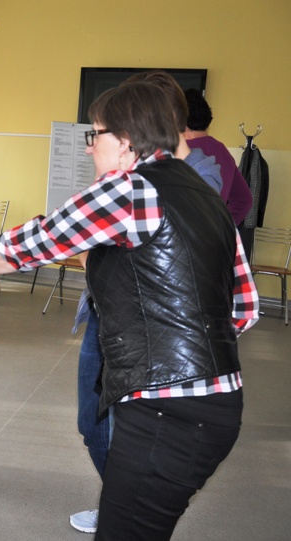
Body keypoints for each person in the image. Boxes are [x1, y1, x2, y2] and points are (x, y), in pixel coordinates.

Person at [0, 81, 259, 540]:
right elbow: (244, 308)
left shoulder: (129, 189)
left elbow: (35, 240)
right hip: (217, 403)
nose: (87, 148)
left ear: (125, 141)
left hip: (165, 409)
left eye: (94, 134)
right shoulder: (206, 197)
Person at [68, 70, 226, 534]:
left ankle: (130, 505)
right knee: (92, 423)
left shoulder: (195, 177)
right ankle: (123, 500)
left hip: (154, 335)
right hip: (105, 316)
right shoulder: (129, 176)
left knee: (129, 430)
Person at [184, 88, 253, 226]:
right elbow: (244, 200)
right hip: (211, 236)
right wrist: (223, 229)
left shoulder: (182, 152)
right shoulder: (221, 150)